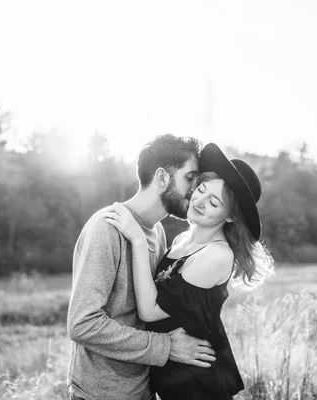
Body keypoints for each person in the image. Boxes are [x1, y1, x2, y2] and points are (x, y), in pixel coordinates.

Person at [105, 142, 275, 400]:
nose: (199, 201)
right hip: (172, 383)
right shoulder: (183, 241)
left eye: (214, 202)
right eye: (201, 190)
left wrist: (138, 240)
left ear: (229, 217)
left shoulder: (217, 255)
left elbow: (150, 311)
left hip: (199, 387)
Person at [67, 134, 218, 400]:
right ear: (162, 178)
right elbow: (82, 324)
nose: (196, 189)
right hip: (100, 394)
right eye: (190, 177)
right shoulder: (106, 229)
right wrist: (166, 347)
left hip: (142, 390)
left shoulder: (156, 231)